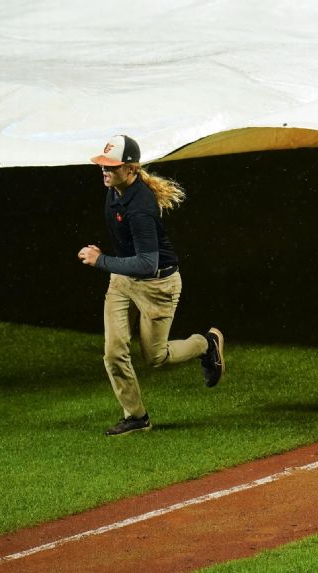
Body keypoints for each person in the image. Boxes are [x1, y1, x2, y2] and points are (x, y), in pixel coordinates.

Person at [78, 134, 225, 436]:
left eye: (112, 166)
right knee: (114, 351)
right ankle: (136, 416)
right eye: (102, 165)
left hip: (158, 286)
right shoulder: (116, 189)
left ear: (131, 169)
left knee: (155, 357)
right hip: (122, 281)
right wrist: (110, 264)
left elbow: (147, 263)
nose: (104, 171)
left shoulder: (140, 206)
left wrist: (101, 260)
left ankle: (205, 344)